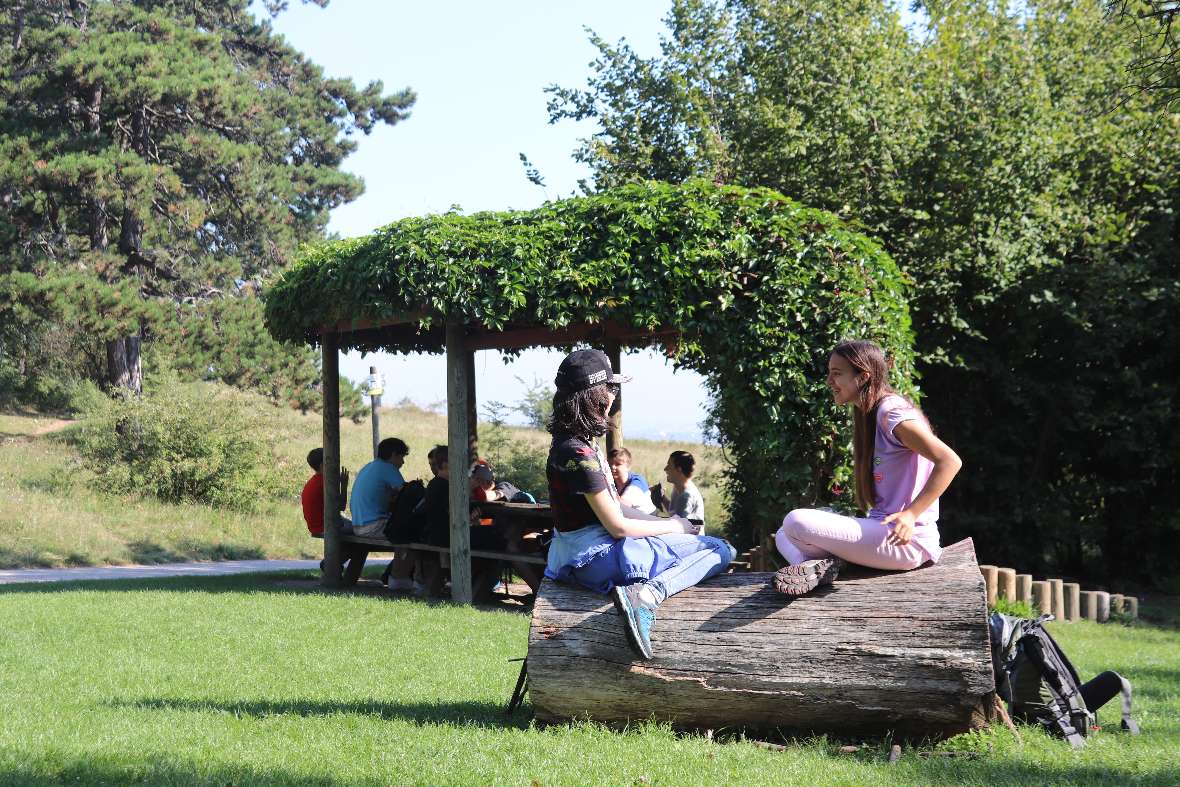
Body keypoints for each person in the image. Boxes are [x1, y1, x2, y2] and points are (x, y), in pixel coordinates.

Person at [545, 348, 736, 660]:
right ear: (596, 396)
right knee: (721, 549)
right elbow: (618, 526)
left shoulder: (570, 446)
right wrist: (674, 526)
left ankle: (646, 590)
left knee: (696, 542)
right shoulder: (579, 454)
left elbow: (617, 507)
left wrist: (671, 527)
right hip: (597, 558)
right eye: (611, 388)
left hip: (574, 557)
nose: (613, 397)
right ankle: (647, 596)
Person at [772, 340, 963, 596]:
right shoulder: (869, 414)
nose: (829, 381)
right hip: (882, 532)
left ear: (863, 377)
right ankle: (822, 568)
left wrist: (911, 514)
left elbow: (950, 461)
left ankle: (830, 566)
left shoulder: (891, 412)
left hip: (907, 540)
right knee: (783, 534)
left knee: (795, 521)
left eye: (837, 374)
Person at [301, 447, 352, 536]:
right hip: (326, 527)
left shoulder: (312, 482)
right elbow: (341, 506)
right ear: (322, 465)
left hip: (315, 527)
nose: (334, 463)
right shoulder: (326, 482)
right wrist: (343, 485)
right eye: (330, 460)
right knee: (361, 530)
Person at [653, 450, 705, 532]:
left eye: (669, 466)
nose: (665, 469)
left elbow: (679, 528)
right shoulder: (678, 487)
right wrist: (662, 497)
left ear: (679, 469)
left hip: (689, 541)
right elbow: (675, 514)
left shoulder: (686, 496)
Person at [608, 447, 656, 514]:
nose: (613, 467)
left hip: (647, 521)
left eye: (618, 464)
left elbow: (622, 505)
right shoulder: (611, 481)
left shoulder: (637, 481)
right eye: (610, 464)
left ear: (628, 466)